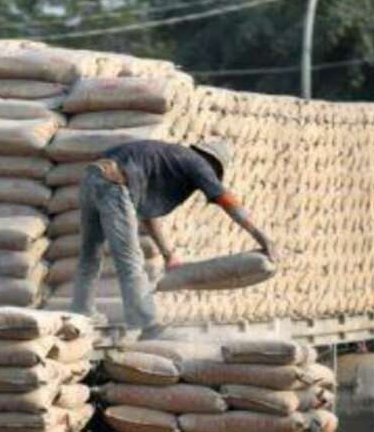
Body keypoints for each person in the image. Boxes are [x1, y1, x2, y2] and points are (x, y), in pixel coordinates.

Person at [70, 138, 275, 338]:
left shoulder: (169, 158)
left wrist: (168, 254)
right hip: (114, 185)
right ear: (213, 164)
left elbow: (148, 216)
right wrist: (262, 237)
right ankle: (145, 323)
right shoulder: (199, 164)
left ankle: (82, 310)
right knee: (130, 258)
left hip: (92, 177)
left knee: (91, 252)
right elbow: (226, 200)